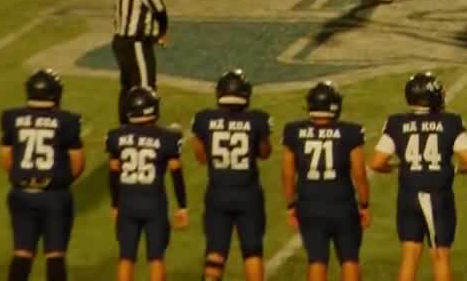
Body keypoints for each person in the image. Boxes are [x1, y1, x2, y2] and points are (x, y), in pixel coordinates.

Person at [369, 73, 467, 281]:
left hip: (407, 195)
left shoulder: (396, 122)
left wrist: (395, 167)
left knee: (409, 256)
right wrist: (454, 169)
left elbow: (376, 162)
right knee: (440, 255)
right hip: (437, 196)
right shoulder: (450, 122)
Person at [2, 69, 85, 281]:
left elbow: (6, 159)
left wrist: (24, 177)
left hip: (21, 193)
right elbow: (78, 163)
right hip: (54, 195)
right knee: (55, 254)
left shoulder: (11, 117)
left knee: (22, 252)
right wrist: (60, 181)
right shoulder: (68, 120)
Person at [281, 83, 369, 281]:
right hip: (342, 205)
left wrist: (290, 205)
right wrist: (364, 205)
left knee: (316, 260)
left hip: (309, 205)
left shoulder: (294, 131)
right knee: (350, 259)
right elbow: (359, 173)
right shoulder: (350, 132)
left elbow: (287, 172)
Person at [191, 70, 271, 281]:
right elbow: (265, 153)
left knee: (215, 250)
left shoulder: (204, 118)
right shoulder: (257, 119)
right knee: (252, 251)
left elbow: (200, 156)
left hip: (218, 192)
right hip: (248, 193)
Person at [108, 87, 189, 281]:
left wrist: (115, 204)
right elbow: (176, 173)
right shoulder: (167, 138)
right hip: (154, 203)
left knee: (126, 257)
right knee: (156, 258)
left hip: (127, 202)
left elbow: (113, 171)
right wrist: (182, 206)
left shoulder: (116, 136)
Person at [112, 0, 170, 119]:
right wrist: (162, 32)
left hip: (120, 42)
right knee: (145, 89)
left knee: (128, 87)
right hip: (137, 43)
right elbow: (160, 11)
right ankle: (146, 132)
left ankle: (124, 128)